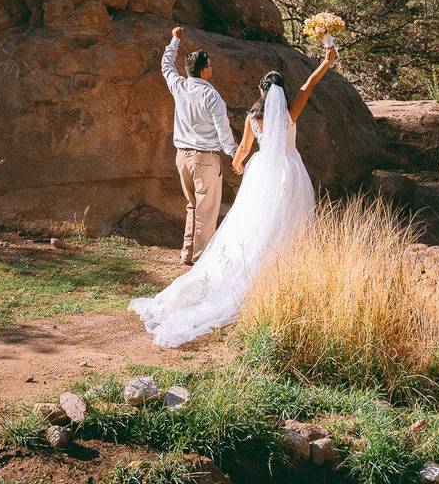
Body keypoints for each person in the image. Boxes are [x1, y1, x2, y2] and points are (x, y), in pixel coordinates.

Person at [130, 38, 338, 348]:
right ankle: (279, 272)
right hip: (290, 172)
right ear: (281, 93)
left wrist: (239, 163)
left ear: (262, 92)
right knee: (287, 222)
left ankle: (240, 268)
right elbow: (309, 84)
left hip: (261, 172)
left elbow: (242, 149)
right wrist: (326, 61)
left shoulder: (254, 118)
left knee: (252, 223)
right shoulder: (290, 113)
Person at [161, 27, 237, 266]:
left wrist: (175, 39)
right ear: (205, 71)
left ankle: (187, 252)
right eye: (210, 66)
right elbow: (224, 132)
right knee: (207, 210)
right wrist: (235, 154)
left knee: (192, 207)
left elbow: (166, 65)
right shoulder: (213, 97)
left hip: (182, 157)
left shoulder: (179, 86)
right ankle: (201, 259)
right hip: (205, 158)